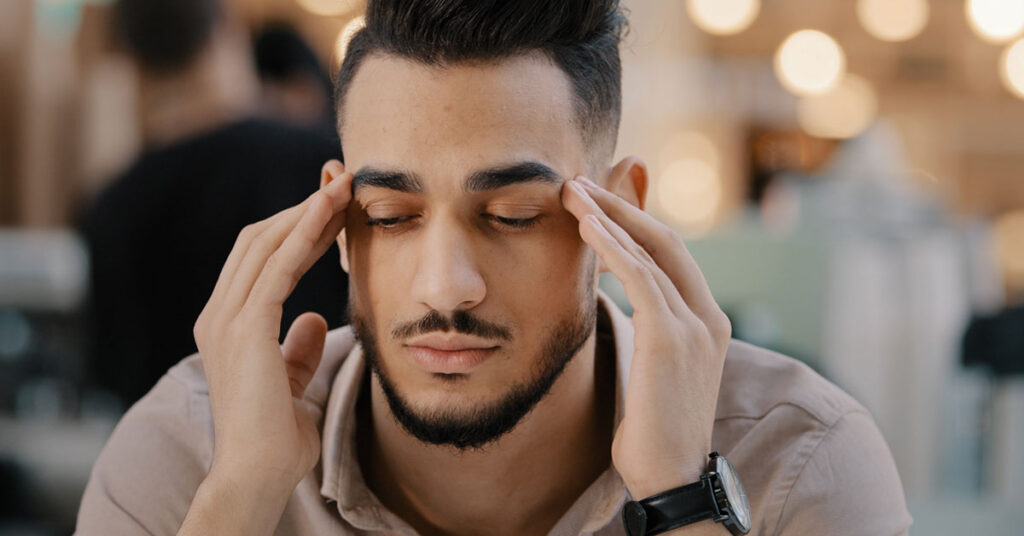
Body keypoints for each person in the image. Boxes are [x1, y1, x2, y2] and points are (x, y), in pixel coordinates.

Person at [76, 1, 913, 534]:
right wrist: (242, 496)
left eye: (513, 215)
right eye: (392, 217)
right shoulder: (186, 453)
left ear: (622, 214)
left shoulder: (802, 460)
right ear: (335, 219)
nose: (445, 286)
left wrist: (678, 497)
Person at [80, 0, 348, 405]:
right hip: (319, 441)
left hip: (168, 458)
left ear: (127, 52)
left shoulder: (108, 208)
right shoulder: (321, 166)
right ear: (227, 26)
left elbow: (113, 373)